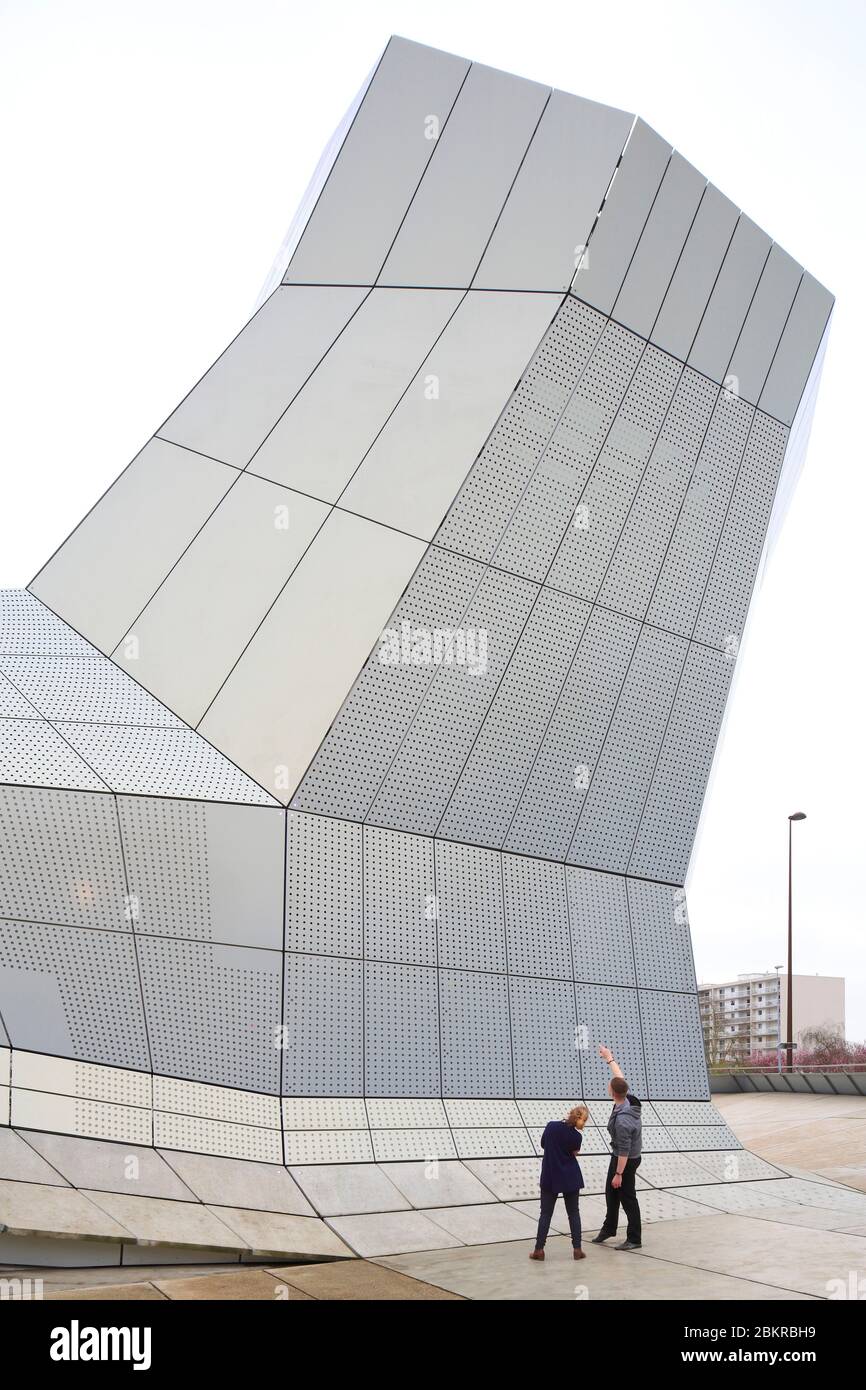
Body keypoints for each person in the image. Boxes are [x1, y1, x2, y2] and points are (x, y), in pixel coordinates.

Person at [591, 1044, 643, 1250]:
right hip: (621, 1157)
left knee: (627, 1197)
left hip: (627, 1161)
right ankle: (609, 1228)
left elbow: (624, 1149)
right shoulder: (627, 1100)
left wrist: (619, 1174)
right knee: (610, 1193)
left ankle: (634, 1238)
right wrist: (609, 1058)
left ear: (612, 1092)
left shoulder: (623, 1120)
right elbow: (619, 1077)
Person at [528, 1105, 588, 1261]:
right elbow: (574, 1153)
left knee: (546, 1214)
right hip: (570, 1176)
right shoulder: (577, 1137)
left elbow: (543, 1144)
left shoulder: (551, 1126)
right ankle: (577, 1250)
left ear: (570, 1114)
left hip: (550, 1175)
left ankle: (539, 1250)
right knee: (573, 1213)